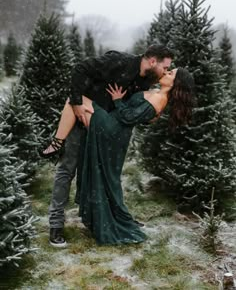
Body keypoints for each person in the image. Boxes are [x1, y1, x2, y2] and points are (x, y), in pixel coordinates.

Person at [43, 68, 195, 245]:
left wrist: (117, 100)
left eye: (171, 74)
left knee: (73, 100)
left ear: (176, 83)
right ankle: (115, 215)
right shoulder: (156, 93)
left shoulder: (160, 99)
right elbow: (142, 113)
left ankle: (56, 143)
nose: (166, 73)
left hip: (111, 126)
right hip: (113, 124)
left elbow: (129, 118)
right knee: (107, 176)